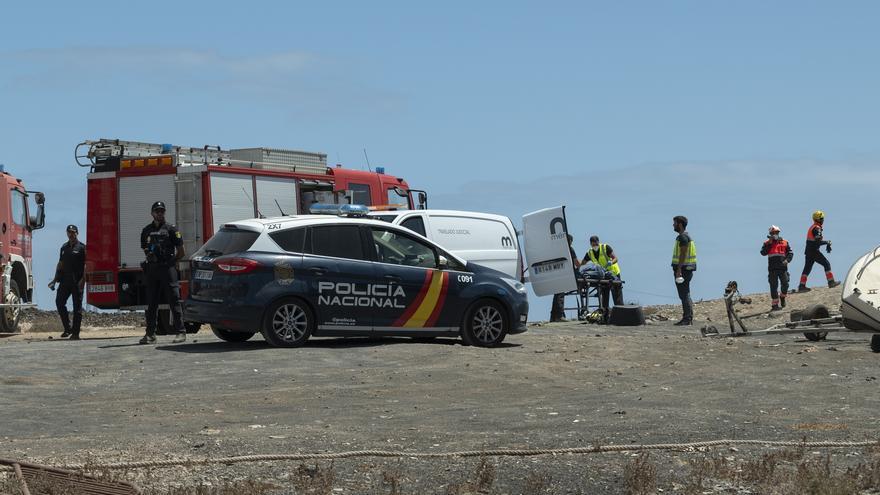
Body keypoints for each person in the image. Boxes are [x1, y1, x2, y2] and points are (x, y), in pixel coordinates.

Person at [139, 201, 187, 344]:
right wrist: (150, 254)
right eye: (157, 211)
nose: (160, 213)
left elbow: (181, 251)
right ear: (152, 213)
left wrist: (172, 262)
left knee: (174, 299)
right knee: (152, 302)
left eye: (162, 211)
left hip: (167, 269)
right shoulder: (146, 230)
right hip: (152, 270)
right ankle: (150, 335)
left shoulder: (171, 229)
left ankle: (181, 332)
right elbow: (145, 248)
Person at [48, 225, 86, 340]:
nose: (71, 234)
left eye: (73, 232)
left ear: (77, 233)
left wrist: (83, 280)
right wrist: (54, 280)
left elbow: (86, 265)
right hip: (65, 281)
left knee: (77, 308)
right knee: (59, 302)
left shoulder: (82, 247)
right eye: (69, 232)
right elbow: (60, 264)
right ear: (67, 233)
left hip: (77, 281)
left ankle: (75, 333)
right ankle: (68, 328)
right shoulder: (64, 247)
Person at [798, 210, 840, 292]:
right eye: (822, 218)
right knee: (826, 264)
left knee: (807, 268)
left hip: (809, 251)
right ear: (820, 219)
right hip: (814, 251)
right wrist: (827, 242)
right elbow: (817, 241)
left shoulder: (813, 227)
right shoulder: (817, 228)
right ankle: (831, 282)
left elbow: (815, 241)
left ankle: (801, 286)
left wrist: (826, 243)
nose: (823, 220)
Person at [581, 235, 622, 307]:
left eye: (596, 244)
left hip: (614, 274)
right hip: (604, 276)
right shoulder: (590, 253)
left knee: (617, 298)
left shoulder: (605, 247)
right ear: (590, 244)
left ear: (598, 242)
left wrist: (611, 262)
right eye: (593, 244)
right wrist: (578, 268)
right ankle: (606, 316)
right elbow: (582, 263)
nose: (595, 246)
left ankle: (621, 314)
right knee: (605, 298)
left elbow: (615, 258)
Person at [761, 225, 793, 311]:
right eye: (773, 233)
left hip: (783, 268)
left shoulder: (785, 242)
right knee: (773, 286)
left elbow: (790, 253)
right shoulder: (767, 243)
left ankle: (782, 297)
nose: (774, 234)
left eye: (776, 233)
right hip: (772, 269)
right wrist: (769, 243)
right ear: (770, 234)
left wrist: (787, 260)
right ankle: (775, 304)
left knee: (785, 283)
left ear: (778, 233)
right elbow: (763, 253)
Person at [671, 215, 697, 326]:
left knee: (684, 294)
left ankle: (687, 318)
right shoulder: (686, 237)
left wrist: (679, 270)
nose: (673, 225)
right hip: (687, 268)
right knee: (685, 294)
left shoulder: (683, 237)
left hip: (683, 270)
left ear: (680, 224)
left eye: (675, 223)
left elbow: (683, 253)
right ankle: (688, 318)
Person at [550, 234, 580, 322]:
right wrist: (579, 268)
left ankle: (553, 317)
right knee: (560, 295)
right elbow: (577, 263)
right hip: (564, 274)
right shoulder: (570, 249)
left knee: (556, 295)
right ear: (569, 241)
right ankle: (559, 316)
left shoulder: (557, 248)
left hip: (556, 273)